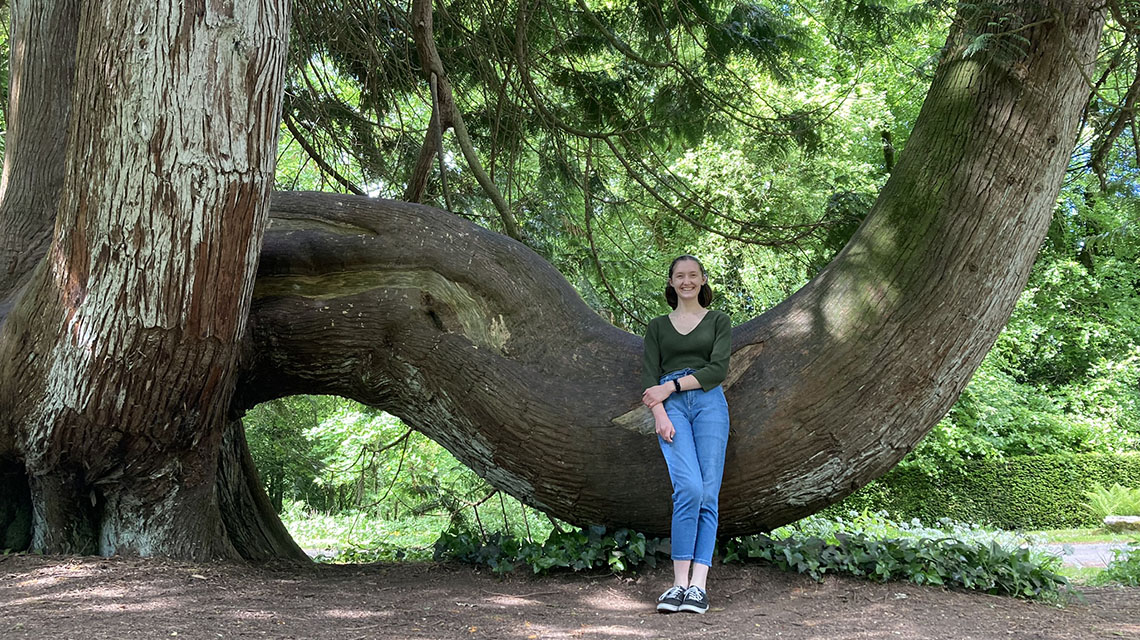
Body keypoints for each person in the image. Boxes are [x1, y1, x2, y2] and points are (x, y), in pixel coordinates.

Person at [641, 254, 731, 615]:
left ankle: (698, 586)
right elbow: (649, 378)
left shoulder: (718, 321)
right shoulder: (657, 327)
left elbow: (717, 370)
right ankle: (678, 584)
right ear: (671, 282)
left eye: (693, 275)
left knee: (708, 493)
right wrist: (660, 411)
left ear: (703, 280)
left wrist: (673, 386)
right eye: (680, 276)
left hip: (710, 404)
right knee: (688, 488)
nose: (687, 281)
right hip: (671, 407)